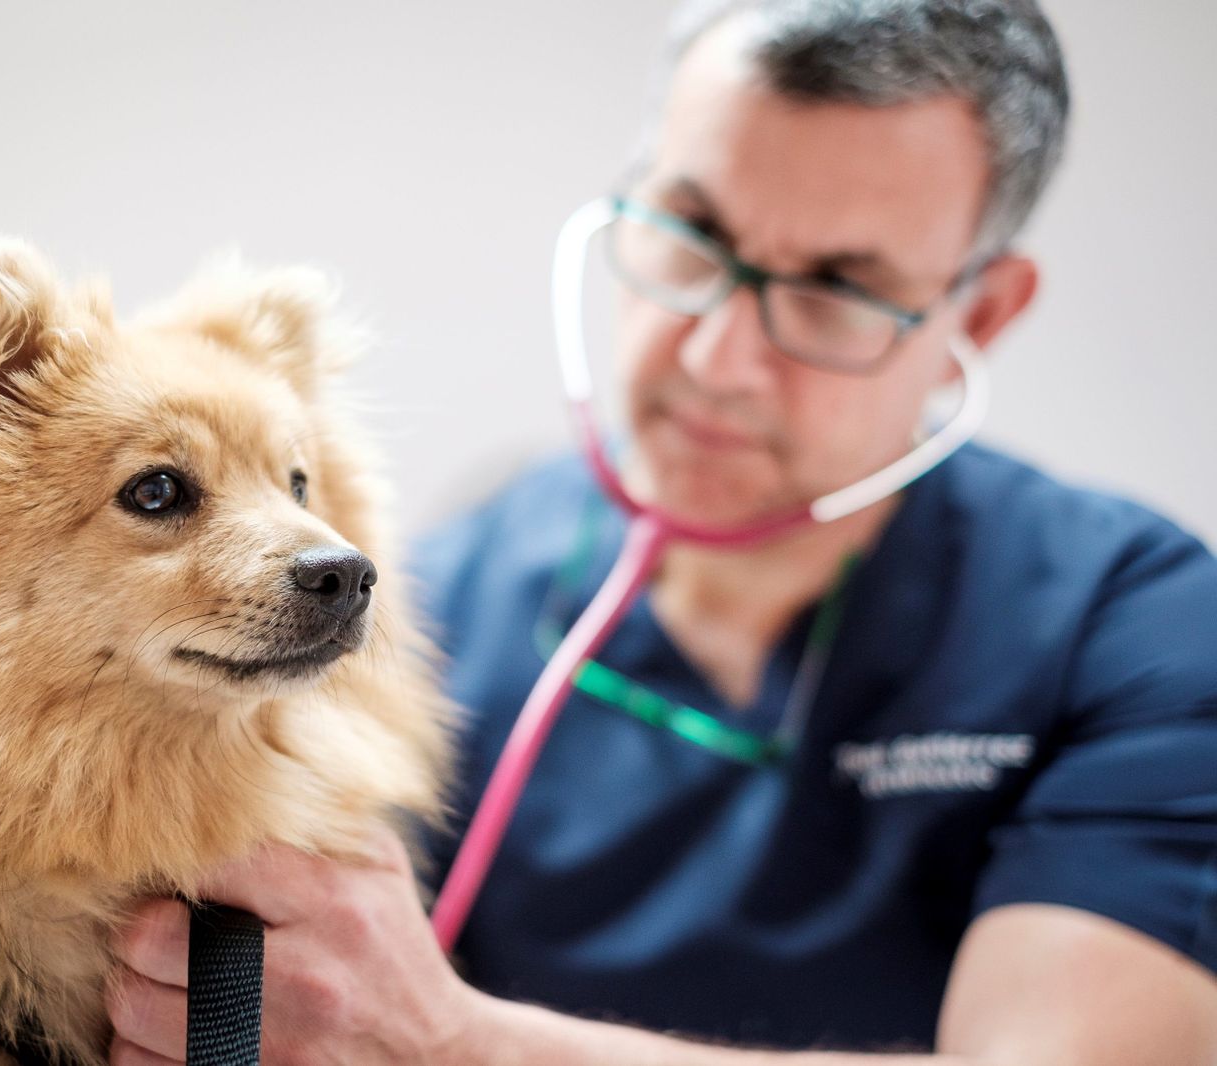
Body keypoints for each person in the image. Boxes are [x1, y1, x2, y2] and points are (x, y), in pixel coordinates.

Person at [106, 1, 1217, 1062]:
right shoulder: (437, 600)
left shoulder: (1131, 626)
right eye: (692, 235)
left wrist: (456, 1047)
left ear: (980, 312)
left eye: (837, 288)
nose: (714, 359)